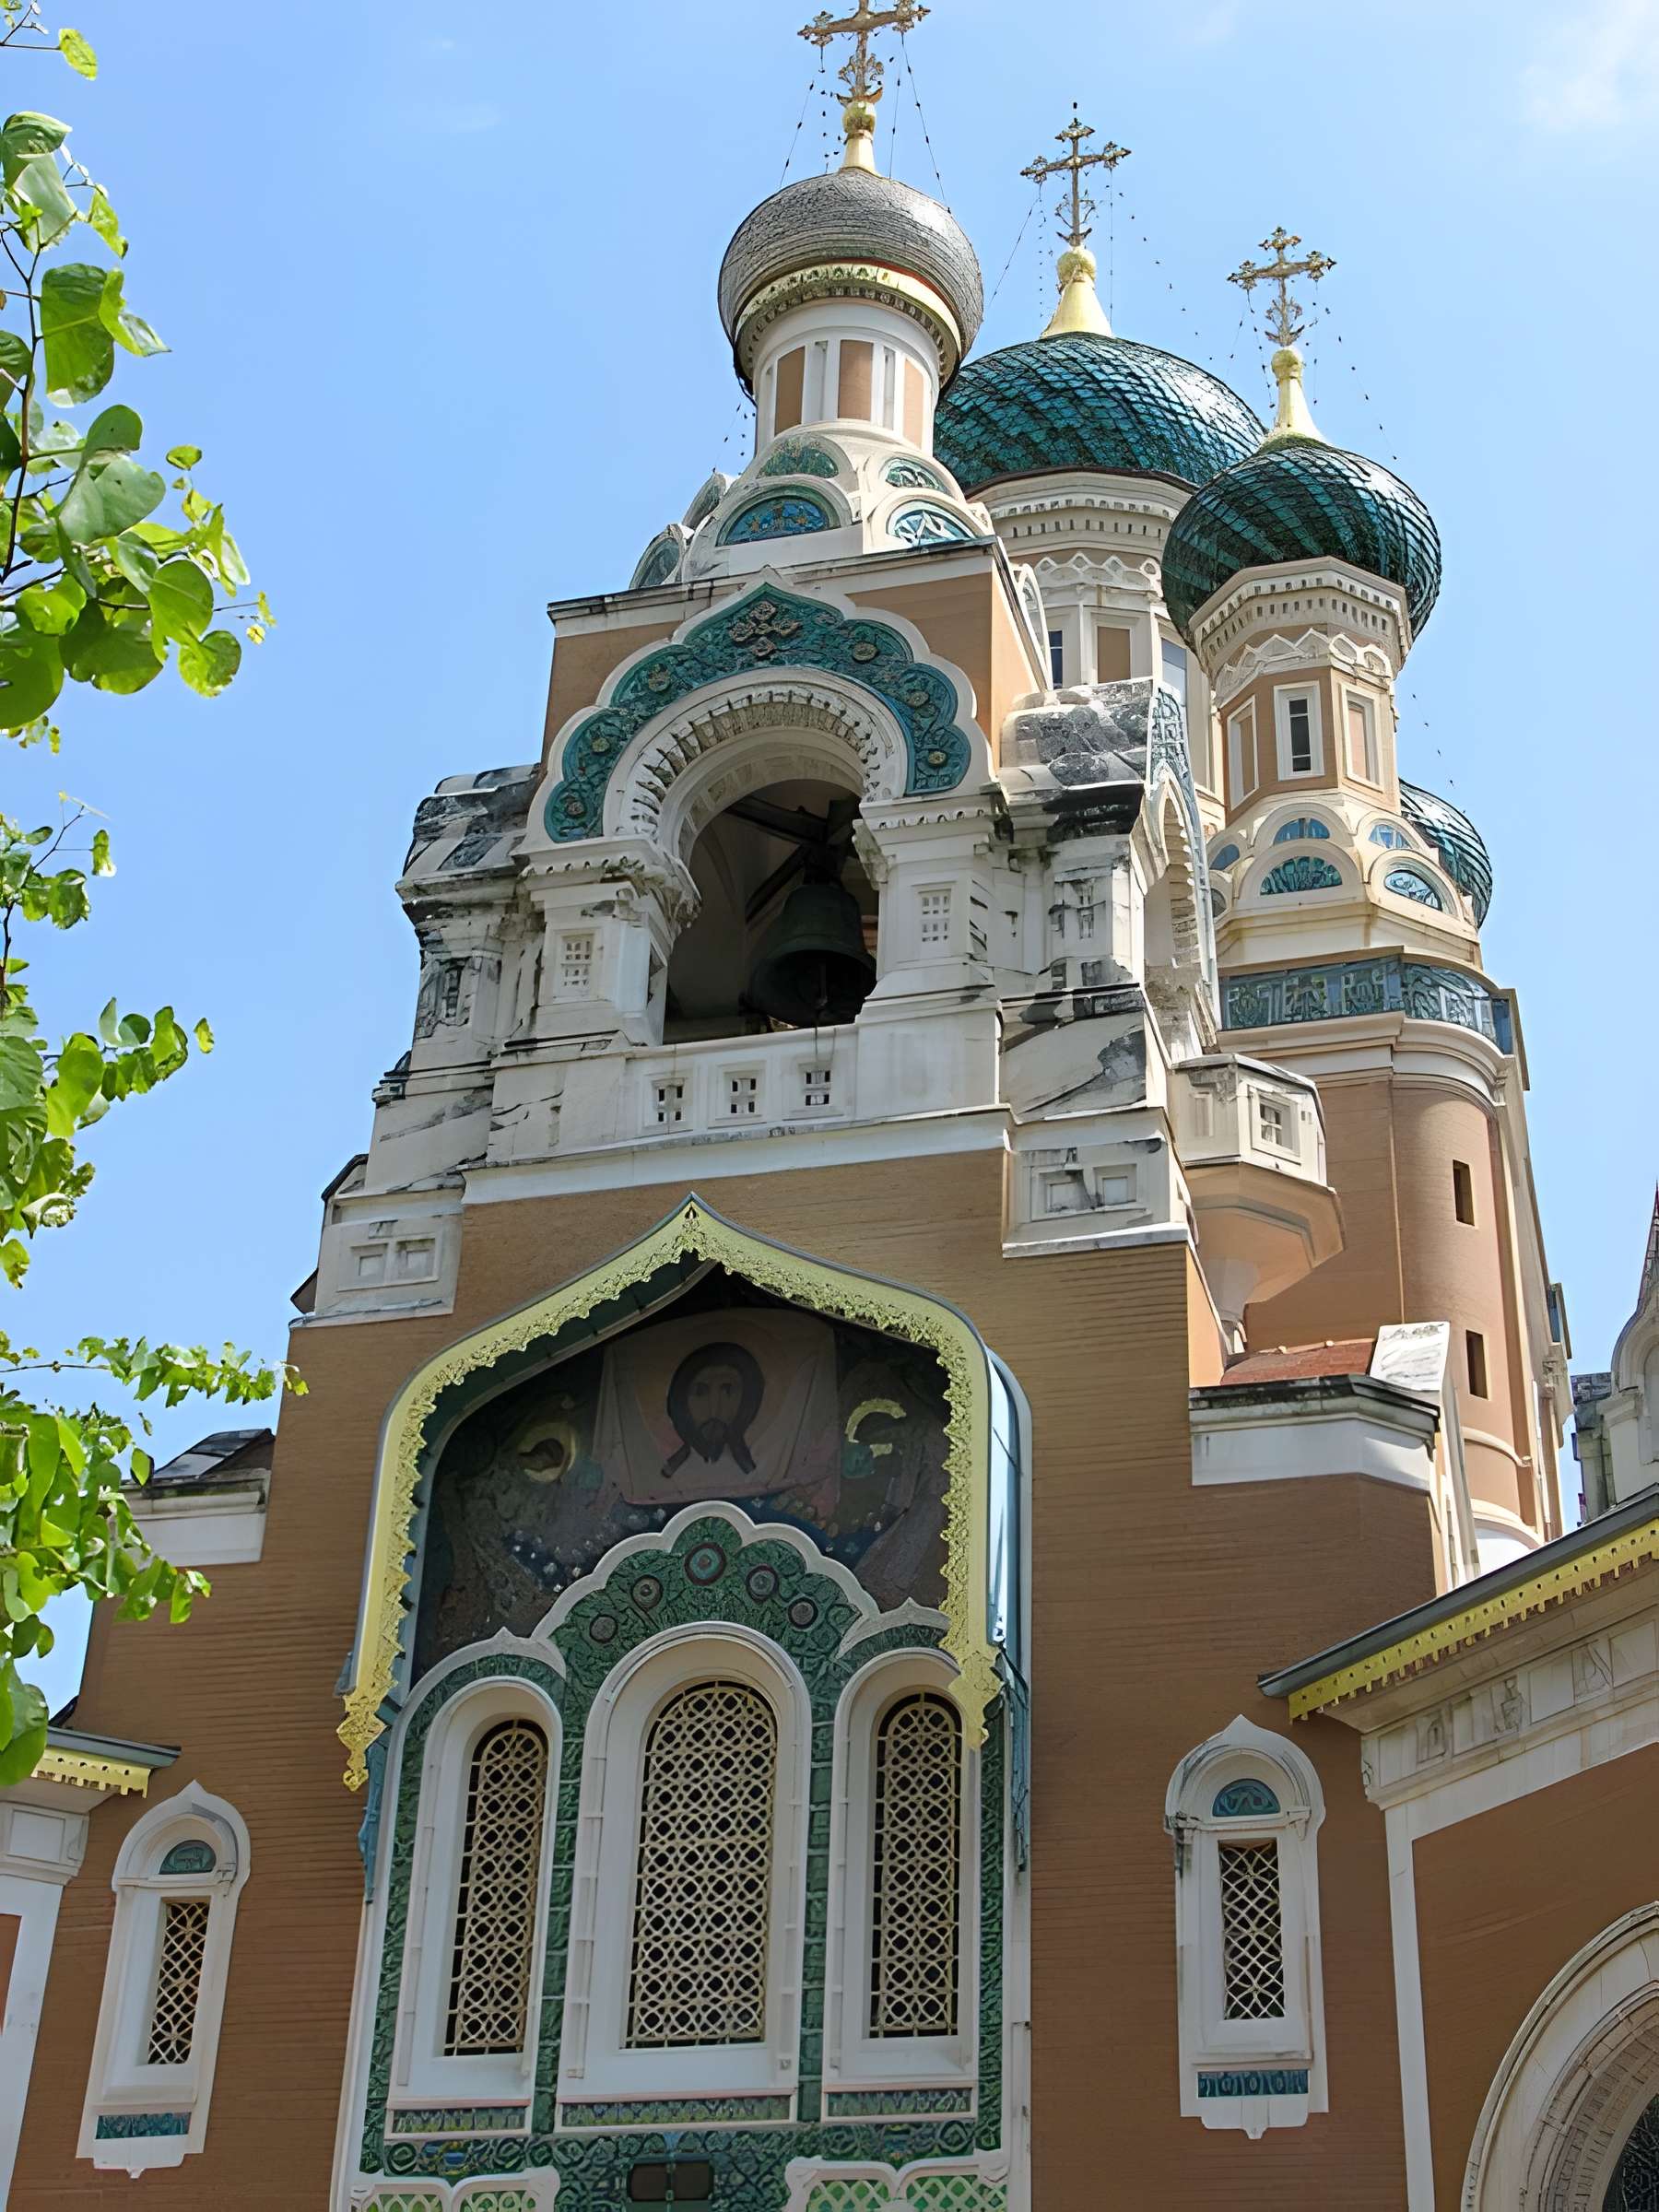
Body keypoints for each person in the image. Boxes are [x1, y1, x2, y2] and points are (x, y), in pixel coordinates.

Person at [662, 1341, 765, 1479]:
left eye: (728, 1391)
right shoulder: (670, 1472)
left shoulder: (756, 1476)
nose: (714, 1409)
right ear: (681, 1401)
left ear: (747, 1401)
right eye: (700, 1391)